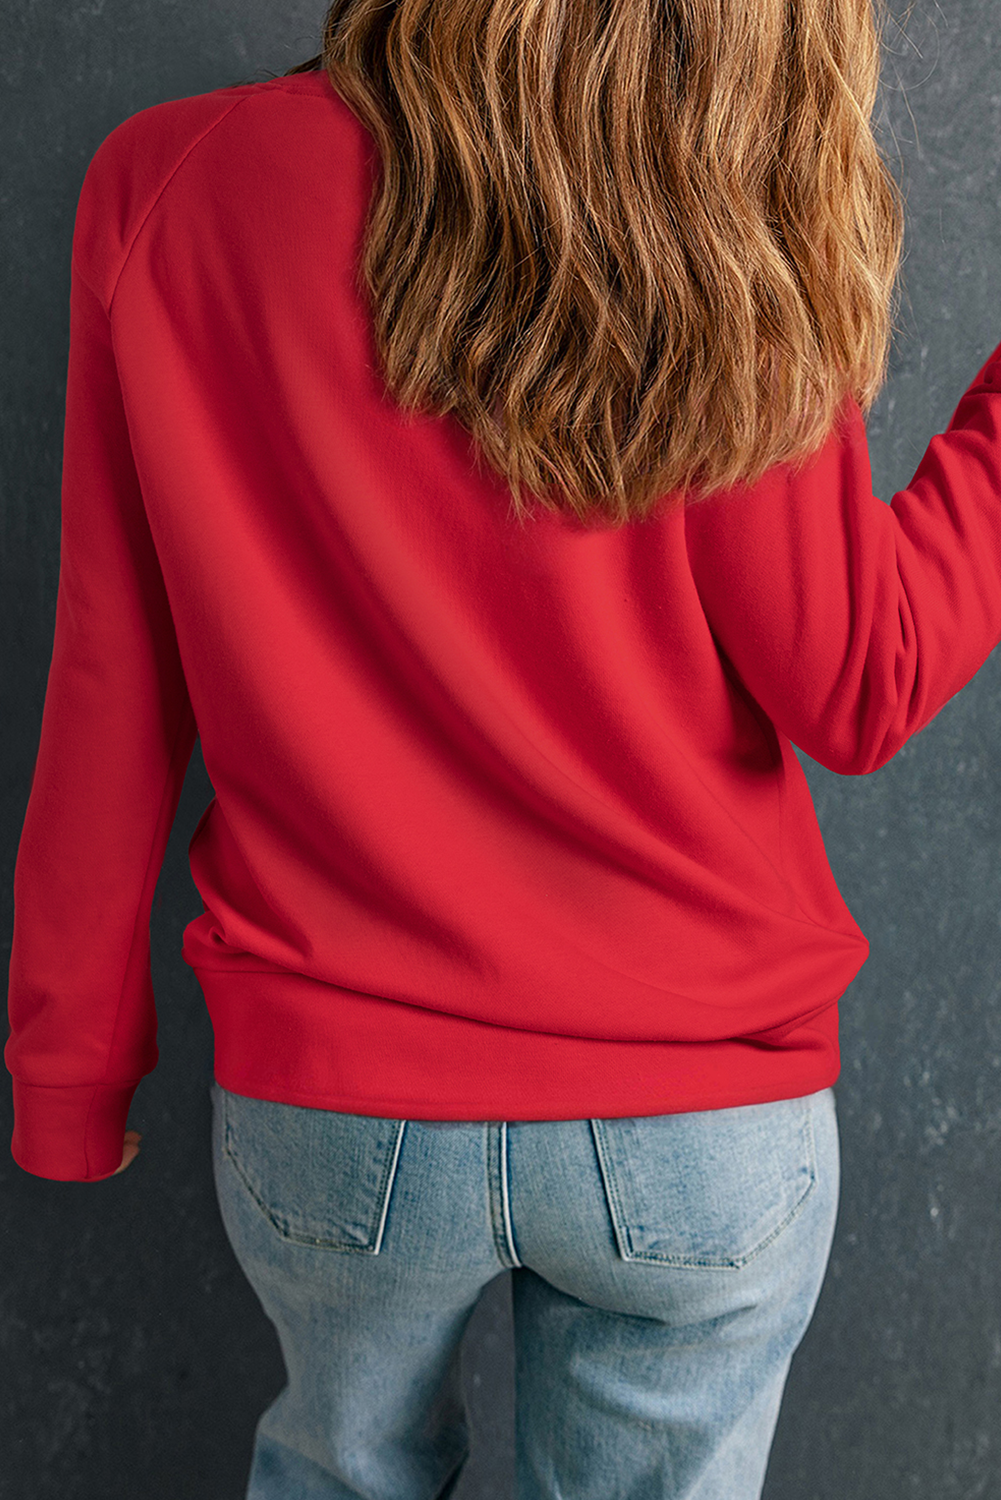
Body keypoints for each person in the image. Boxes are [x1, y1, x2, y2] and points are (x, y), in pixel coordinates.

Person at [6, 1, 1001, 1496]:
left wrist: (70, 1075)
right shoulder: (715, 197)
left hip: (337, 1105)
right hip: (698, 1105)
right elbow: (864, 679)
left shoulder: (169, 183)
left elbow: (112, 673)